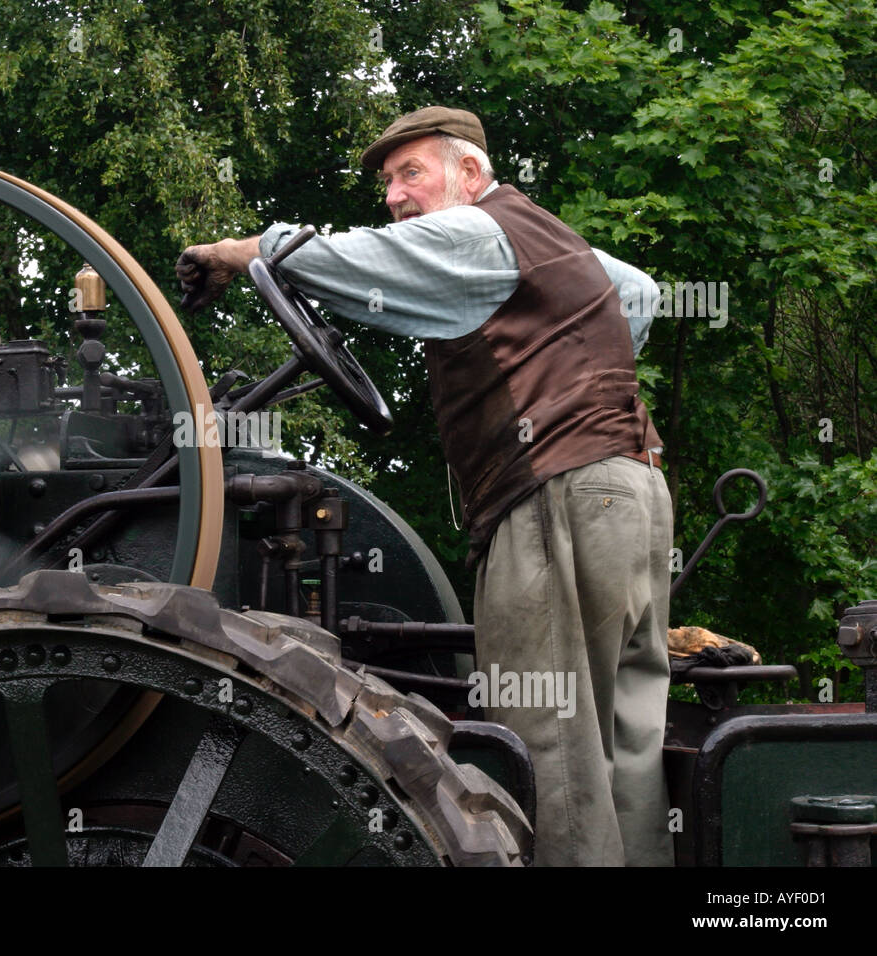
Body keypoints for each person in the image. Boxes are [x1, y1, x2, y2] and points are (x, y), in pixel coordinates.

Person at [175, 106, 674, 866]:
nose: (395, 195)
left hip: (556, 494)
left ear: (469, 174)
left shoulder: (475, 229)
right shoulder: (550, 240)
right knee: (626, 735)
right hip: (632, 488)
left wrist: (240, 252)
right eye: (386, 183)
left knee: (551, 741)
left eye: (412, 173)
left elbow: (354, 262)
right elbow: (638, 294)